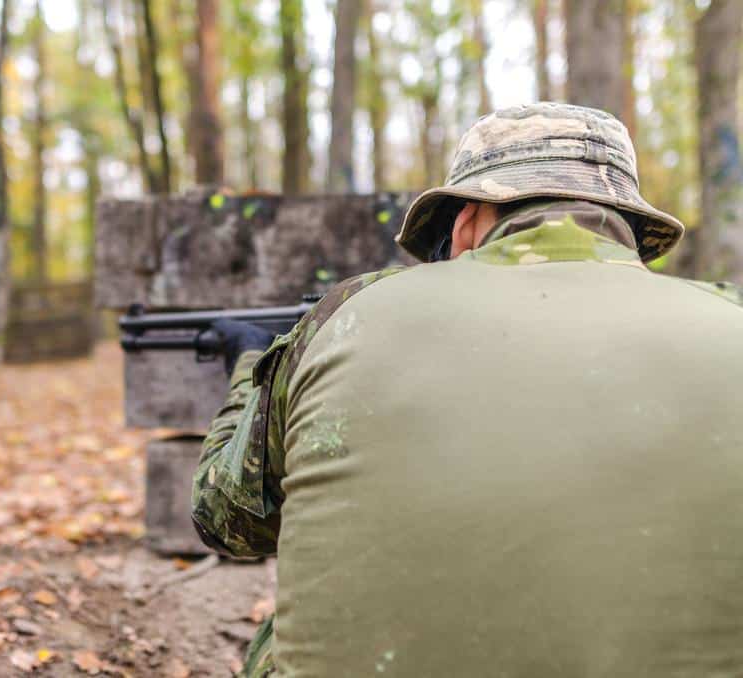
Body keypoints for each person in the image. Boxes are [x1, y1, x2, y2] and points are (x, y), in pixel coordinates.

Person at [191, 102, 743, 677]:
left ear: (467, 219)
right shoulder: (732, 319)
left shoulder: (348, 315)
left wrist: (250, 365)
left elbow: (225, 518)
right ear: (629, 229)